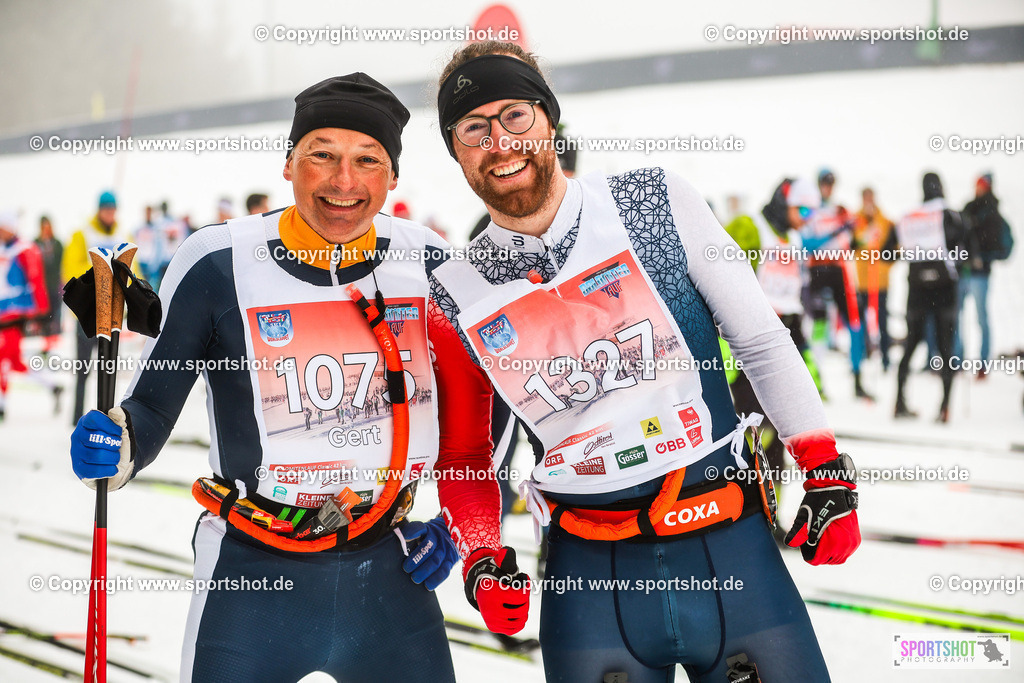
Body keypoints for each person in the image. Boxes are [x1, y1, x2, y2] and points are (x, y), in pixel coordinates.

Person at [69, 73, 529, 682]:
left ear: (393, 176)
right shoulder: (218, 263)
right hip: (250, 575)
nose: (344, 181)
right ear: (289, 164)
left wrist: (454, 528)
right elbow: (151, 407)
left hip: (388, 572)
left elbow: (489, 410)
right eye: (322, 155)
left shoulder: (429, 262)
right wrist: (118, 443)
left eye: (368, 159)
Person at [431, 42, 860, 682]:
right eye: (473, 128)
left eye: (515, 115)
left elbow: (760, 340)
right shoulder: (454, 292)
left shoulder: (654, 202)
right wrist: (483, 558)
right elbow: (467, 453)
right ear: (456, 149)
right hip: (589, 585)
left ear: (549, 118)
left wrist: (826, 471)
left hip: (731, 551)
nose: (500, 142)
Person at [889, 172, 965, 423]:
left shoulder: (909, 217)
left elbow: (887, 251)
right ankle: (945, 407)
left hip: (917, 290)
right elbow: (967, 247)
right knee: (946, 348)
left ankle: (899, 402)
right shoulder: (950, 215)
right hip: (944, 290)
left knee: (910, 346)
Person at [802, 169, 872, 399]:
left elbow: (854, 241)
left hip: (838, 270)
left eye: (831, 184)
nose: (828, 188)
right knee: (820, 326)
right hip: (817, 270)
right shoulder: (809, 211)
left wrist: (859, 231)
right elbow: (807, 244)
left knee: (855, 322)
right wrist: (837, 230)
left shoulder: (840, 210)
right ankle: (816, 384)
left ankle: (858, 379)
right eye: (825, 183)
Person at [62, 190, 129, 424]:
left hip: (112, 315)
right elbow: (70, 269)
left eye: (112, 210)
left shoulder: (123, 234)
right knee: (83, 370)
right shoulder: (83, 234)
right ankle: (76, 419)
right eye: (106, 209)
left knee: (108, 370)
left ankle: (106, 418)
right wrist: (100, 270)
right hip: (87, 315)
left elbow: (132, 270)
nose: (109, 214)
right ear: (99, 210)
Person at [0, 211, 60, 419]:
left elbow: (36, 280)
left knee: (4, 358)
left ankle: (2, 404)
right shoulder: (4, 249)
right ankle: (53, 386)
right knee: (14, 362)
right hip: (3, 311)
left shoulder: (24, 249)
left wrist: (42, 311)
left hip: (16, 314)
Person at [957, 173, 1012, 375]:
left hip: (980, 274)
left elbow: (1002, 246)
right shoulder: (968, 209)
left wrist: (984, 257)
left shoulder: (993, 214)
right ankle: (956, 360)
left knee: (981, 318)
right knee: (956, 316)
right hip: (964, 271)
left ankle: (982, 363)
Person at [853, 188, 896, 372]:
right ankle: (863, 355)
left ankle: (885, 357)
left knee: (882, 321)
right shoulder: (856, 221)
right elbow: (852, 244)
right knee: (860, 322)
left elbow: (894, 249)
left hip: (880, 280)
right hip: (862, 280)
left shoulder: (885, 221)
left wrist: (885, 264)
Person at [33, 215, 64, 353]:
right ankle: (46, 344)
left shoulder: (57, 244)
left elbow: (62, 263)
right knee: (44, 315)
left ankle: (54, 344)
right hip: (41, 286)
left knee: (56, 314)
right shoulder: (35, 243)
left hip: (55, 285)